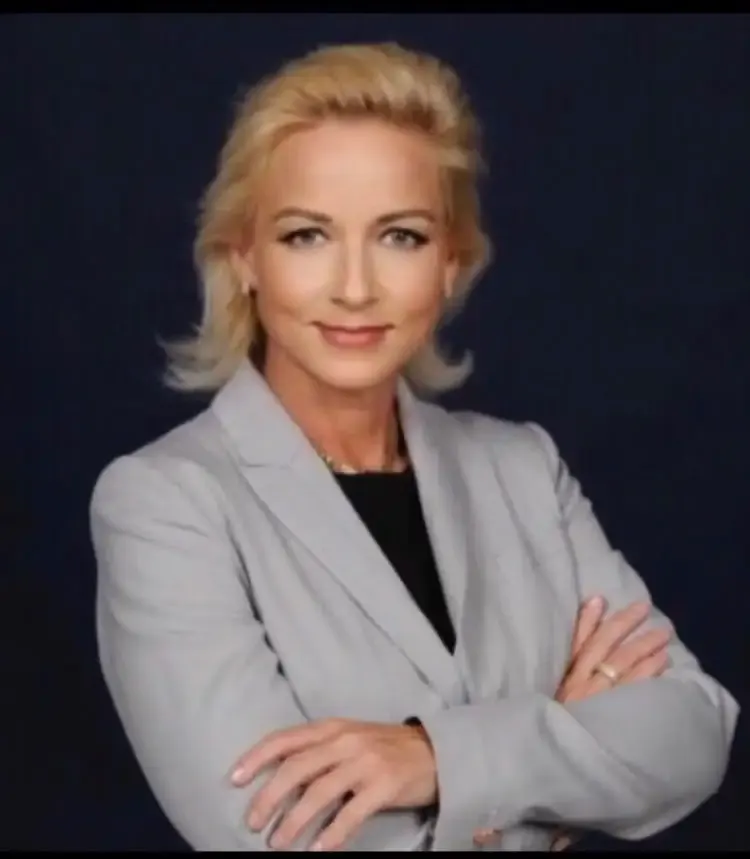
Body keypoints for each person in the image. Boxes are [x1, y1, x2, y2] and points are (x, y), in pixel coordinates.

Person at [89, 42, 738, 852]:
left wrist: (434, 757)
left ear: (451, 263)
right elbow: (279, 833)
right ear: (242, 257)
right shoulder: (164, 502)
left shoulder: (523, 468)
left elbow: (694, 728)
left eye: (400, 236)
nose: (355, 287)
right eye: (307, 236)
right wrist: (560, 762)